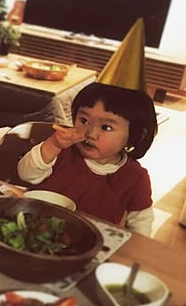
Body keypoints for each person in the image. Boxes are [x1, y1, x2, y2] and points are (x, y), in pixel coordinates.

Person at [17, 81, 158, 235]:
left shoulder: (135, 177)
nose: (90, 133)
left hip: (89, 241)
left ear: (135, 135)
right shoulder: (62, 150)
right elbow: (26, 174)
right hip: (34, 228)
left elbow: (141, 225)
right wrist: (53, 145)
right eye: (84, 121)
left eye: (106, 127)